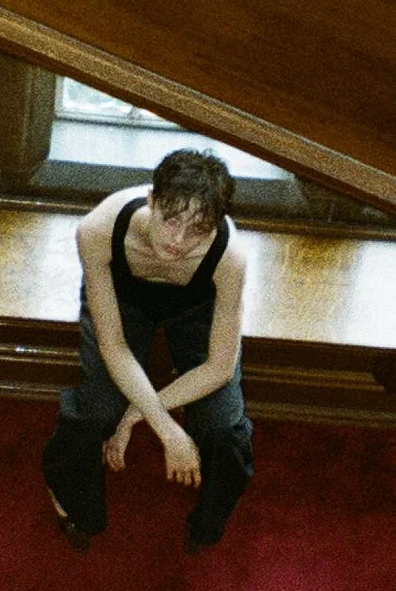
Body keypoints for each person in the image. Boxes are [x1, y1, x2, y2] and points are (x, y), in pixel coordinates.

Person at [42, 149, 253, 550]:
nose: (178, 241)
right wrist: (169, 431)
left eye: (198, 230)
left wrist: (136, 417)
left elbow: (220, 367)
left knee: (225, 427)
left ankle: (207, 525)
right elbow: (115, 347)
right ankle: (72, 501)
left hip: (196, 306)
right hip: (125, 300)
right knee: (97, 408)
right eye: (171, 219)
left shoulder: (230, 258)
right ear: (152, 200)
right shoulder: (99, 229)